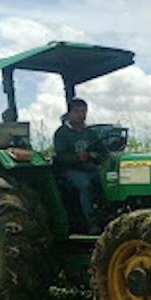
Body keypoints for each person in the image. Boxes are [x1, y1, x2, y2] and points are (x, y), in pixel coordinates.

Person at [54, 98, 103, 234]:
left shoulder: (90, 133)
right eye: (77, 111)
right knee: (85, 184)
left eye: (84, 111)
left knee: (107, 179)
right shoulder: (62, 133)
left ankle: (106, 215)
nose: (81, 115)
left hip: (89, 169)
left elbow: (102, 151)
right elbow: (60, 157)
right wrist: (77, 157)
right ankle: (91, 223)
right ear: (70, 113)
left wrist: (96, 157)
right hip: (69, 171)